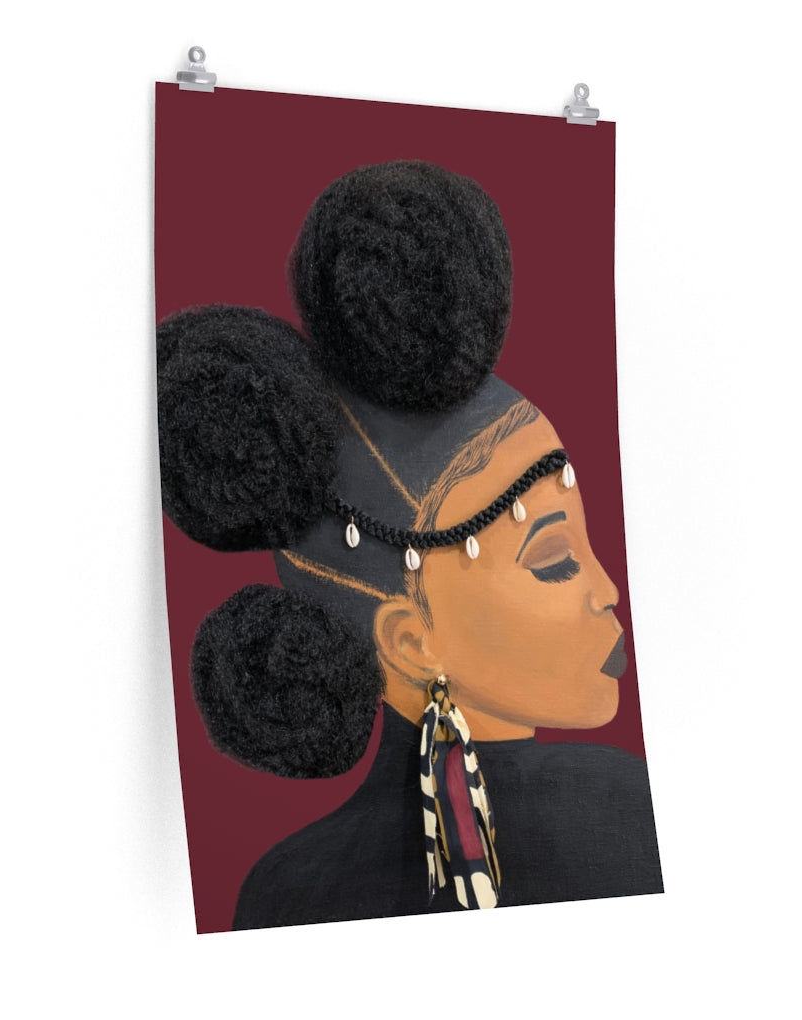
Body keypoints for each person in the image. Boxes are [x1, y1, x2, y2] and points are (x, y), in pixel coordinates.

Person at [157, 160, 663, 930]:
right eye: (555, 560)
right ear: (410, 640)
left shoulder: (282, 894)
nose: (608, 589)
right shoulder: (623, 817)